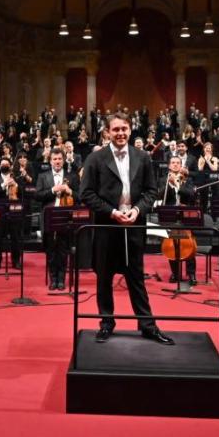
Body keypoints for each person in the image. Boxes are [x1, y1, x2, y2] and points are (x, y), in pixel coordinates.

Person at [80, 112, 173, 345]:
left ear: (130, 130)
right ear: (107, 132)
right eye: (115, 129)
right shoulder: (96, 158)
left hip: (133, 225)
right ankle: (106, 323)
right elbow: (86, 194)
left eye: (124, 128)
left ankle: (147, 325)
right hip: (106, 225)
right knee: (104, 278)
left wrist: (137, 210)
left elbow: (151, 191)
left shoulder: (142, 157)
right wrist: (112, 212)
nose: (120, 133)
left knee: (136, 278)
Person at [35, 148, 80, 290]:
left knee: (63, 249)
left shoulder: (71, 176)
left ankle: (61, 279)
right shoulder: (43, 176)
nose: (57, 161)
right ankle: (52, 278)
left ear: (64, 160)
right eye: (55, 159)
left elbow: (80, 197)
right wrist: (52, 191)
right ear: (50, 161)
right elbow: (37, 196)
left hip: (66, 216)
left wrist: (69, 191)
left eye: (60, 159)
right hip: (49, 216)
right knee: (50, 249)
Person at [158, 157, 197, 284]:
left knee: (189, 244)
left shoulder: (188, 179)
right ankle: (176, 274)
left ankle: (191, 274)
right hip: (171, 216)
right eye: (173, 163)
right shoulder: (164, 180)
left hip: (186, 216)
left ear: (181, 165)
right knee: (172, 245)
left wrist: (178, 186)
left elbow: (191, 194)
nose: (175, 165)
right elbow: (159, 195)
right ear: (169, 166)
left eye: (178, 163)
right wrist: (169, 184)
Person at [0, 156, 24, 270]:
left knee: (15, 238)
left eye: (7, 164)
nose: (5, 165)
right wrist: (4, 184)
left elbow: (24, 193)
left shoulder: (16, 178)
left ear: (10, 166)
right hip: (0, 212)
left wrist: (16, 185)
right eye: (2, 164)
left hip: (14, 211)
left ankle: (16, 261)